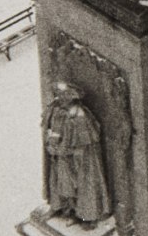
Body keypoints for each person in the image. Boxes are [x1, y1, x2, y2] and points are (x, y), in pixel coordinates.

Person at [44, 82, 111, 225]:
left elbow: (84, 146)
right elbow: (52, 130)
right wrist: (51, 145)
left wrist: (62, 151)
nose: (59, 98)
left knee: (81, 185)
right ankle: (65, 208)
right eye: (58, 95)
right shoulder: (57, 111)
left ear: (70, 97)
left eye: (63, 96)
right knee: (62, 183)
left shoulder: (80, 116)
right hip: (61, 156)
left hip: (79, 160)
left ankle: (85, 215)